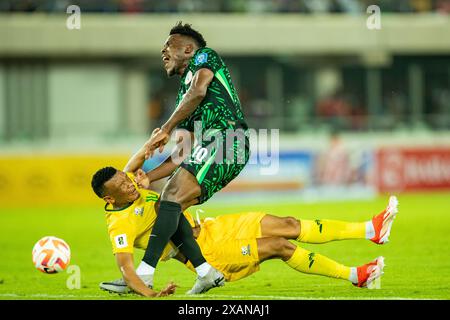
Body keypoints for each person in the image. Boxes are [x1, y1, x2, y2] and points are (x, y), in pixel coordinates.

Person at [95, 166, 398, 295]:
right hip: (208, 252)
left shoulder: (133, 184)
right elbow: (125, 267)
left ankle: (371, 229)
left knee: (289, 224)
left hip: (215, 227)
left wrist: (149, 152)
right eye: (121, 186)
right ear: (110, 198)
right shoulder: (119, 223)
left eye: (125, 178)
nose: (128, 184)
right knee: (280, 246)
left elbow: (135, 167)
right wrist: (149, 293)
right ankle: (355, 276)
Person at [134, 21, 250, 294]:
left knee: (171, 197)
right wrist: (147, 177)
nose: (163, 52)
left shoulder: (205, 57)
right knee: (166, 206)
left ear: (188, 48)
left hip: (229, 139)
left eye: (169, 46)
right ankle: (206, 272)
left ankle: (144, 275)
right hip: (212, 145)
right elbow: (182, 153)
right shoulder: (182, 100)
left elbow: (198, 92)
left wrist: (165, 128)